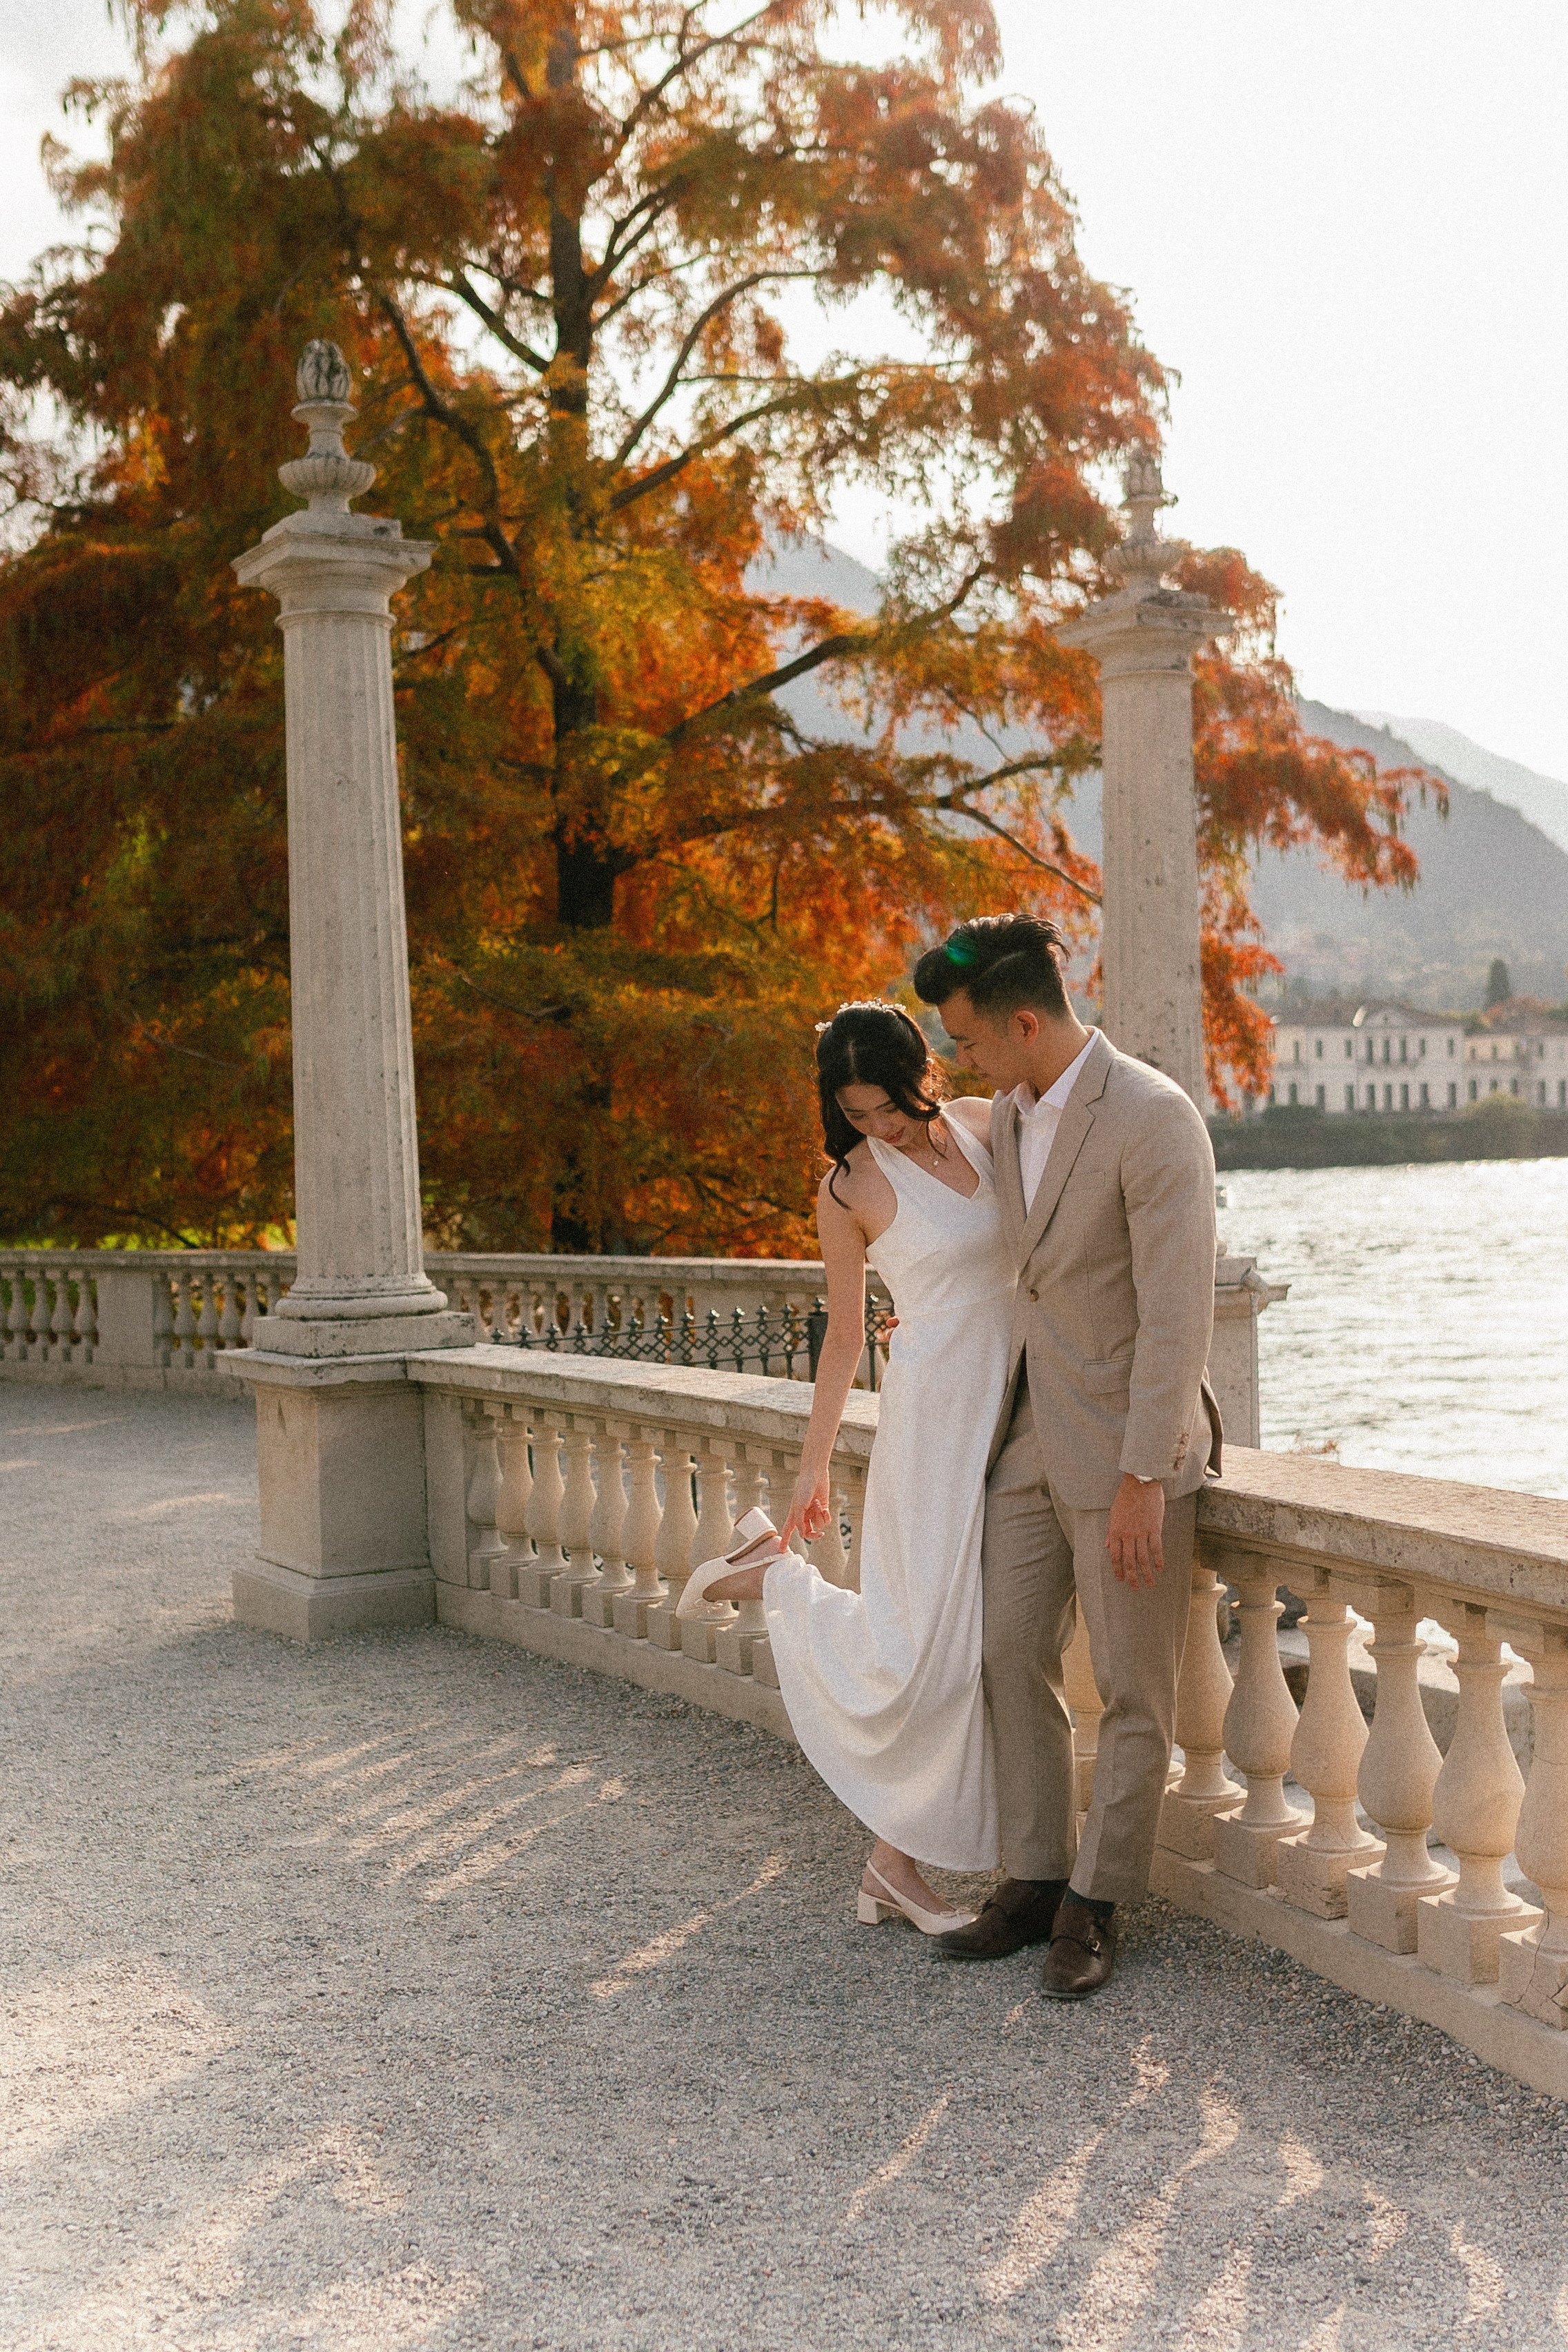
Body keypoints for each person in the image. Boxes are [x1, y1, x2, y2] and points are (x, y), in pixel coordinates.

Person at [910, 914, 1222, 1999]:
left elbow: (1180, 1321)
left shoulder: (1153, 1118)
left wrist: (1145, 1477)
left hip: (1132, 1441)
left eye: (970, 1042)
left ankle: (1096, 1902)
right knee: (1005, 1654)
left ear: (1028, 1022)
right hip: (1030, 1434)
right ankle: (1037, 1874)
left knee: (1137, 1689)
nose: (963, 1061)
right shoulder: (1006, 1112)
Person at [678, 1001, 1016, 1935]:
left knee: (988, 1637)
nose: (880, 1128)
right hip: (935, 1420)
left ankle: (770, 1577)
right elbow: (842, 1337)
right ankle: (893, 1866)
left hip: (1020, 1405)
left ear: (926, 1073)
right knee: (933, 1646)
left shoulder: (991, 1125)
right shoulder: (848, 1187)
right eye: (858, 1114)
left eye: (892, 1106)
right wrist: (811, 1469)